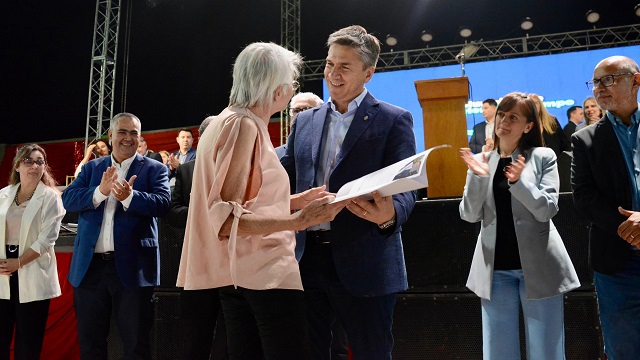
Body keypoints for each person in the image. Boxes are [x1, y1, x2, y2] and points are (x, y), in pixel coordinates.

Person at [176, 42, 345, 360]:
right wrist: (299, 221)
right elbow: (226, 219)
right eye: (291, 82)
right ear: (277, 88)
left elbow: (247, 202)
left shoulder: (230, 120)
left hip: (240, 274)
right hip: (263, 271)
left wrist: (294, 201)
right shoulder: (243, 125)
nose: (292, 89)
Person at [281, 25, 417, 359]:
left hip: (366, 258)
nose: (333, 74)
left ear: (368, 73)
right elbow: (285, 178)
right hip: (305, 259)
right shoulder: (304, 122)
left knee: (372, 351)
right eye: (330, 64)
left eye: (345, 67)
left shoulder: (393, 120)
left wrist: (391, 214)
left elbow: (407, 188)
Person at [459, 92, 580, 360]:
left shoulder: (542, 156)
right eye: (501, 114)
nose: (503, 121)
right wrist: (479, 178)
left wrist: (519, 183)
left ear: (527, 126)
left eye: (513, 117)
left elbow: (546, 209)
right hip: (495, 270)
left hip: (539, 267)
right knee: (498, 354)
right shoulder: (482, 161)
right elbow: (468, 215)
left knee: (546, 352)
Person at [62, 112, 171, 360]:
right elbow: (68, 199)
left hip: (133, 270)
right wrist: (99, 192)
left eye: (134, 133)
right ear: (111, 135)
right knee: (90, 344)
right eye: (122, 132)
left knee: (136, 344)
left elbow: (163, 203)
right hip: (90, 271)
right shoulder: (92, 168)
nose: (128, 138)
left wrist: (130, 198)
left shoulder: (154, 169)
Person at [571, 56, 640, 359]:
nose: (599, 88)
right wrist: (629, 229)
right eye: (595, 82)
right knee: (622, 350)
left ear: (635, 81)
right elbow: (584, 198)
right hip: (616, 264)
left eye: (608, 79)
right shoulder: (584, 139)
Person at [165, 116, 229, 360]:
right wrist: (200, 213)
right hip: (197, 263)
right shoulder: (186, 170)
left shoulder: (238, 165)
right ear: (204, 137)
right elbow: (172, 211)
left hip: (231, 264)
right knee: (195, 337)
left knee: (229, 339)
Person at [0, 144, 66, 360]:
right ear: (17, 166)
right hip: (2, 270)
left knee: (28, 342)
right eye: (28, 161)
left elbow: (47, 239)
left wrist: (18, 262)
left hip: (31, 267)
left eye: (40, 162)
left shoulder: (51, 197)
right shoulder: (4, 194)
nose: (34, 166)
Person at [275, 92, 324, 159]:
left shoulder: (329, 151)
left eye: (307, 110)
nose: (300, 115)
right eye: (296, 111)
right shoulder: (276, 154)